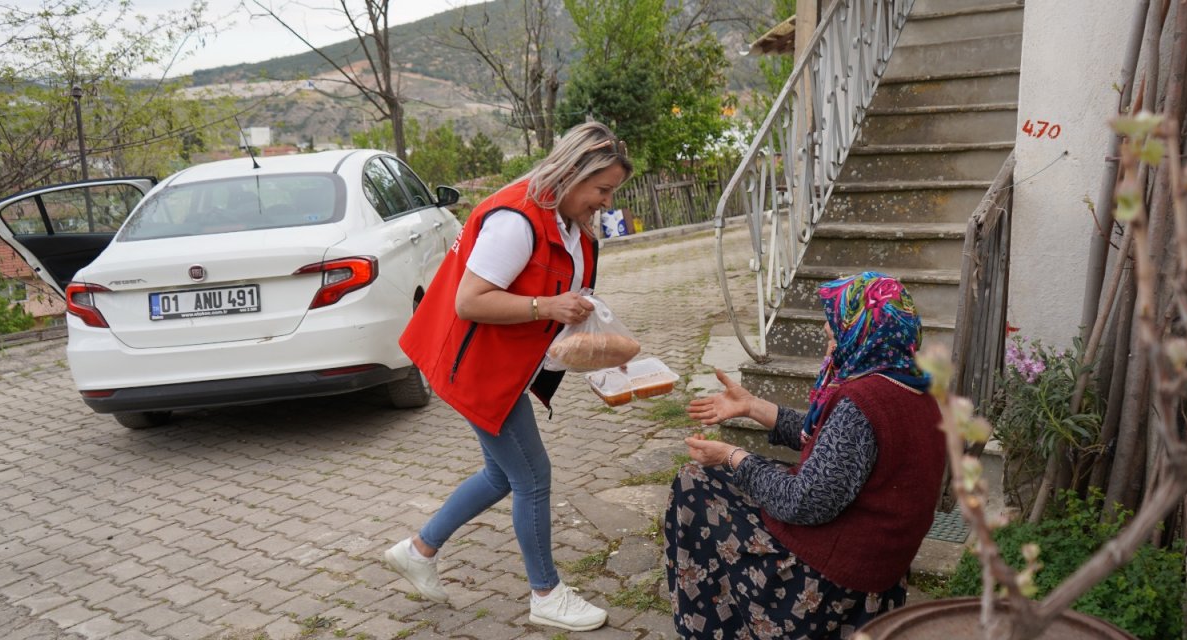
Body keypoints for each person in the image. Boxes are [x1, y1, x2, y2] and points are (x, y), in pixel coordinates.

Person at [388, 121, 633, 632]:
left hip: (501, 365)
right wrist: (546, 305)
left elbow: (569, 304)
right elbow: (471, 300)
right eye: (602, 190)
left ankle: (418, 549)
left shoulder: (565, 221)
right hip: (474, 367)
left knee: (503, 473)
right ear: (571, 173)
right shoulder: (517, 220)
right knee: (531, 476)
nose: (605, 204)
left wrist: (603, 351)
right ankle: (546, 594)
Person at [666, 271, 945, 638]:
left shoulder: (863, 403)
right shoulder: (910, 388)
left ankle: (716, 627)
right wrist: (751, 406)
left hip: (827, 588)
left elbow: (803, 503)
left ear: (861, 333)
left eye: (834, 330)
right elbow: (828, 444)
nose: (828, 340)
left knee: (694, 483)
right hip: (874, 572)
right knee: (736, 477)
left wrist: (732, 456)